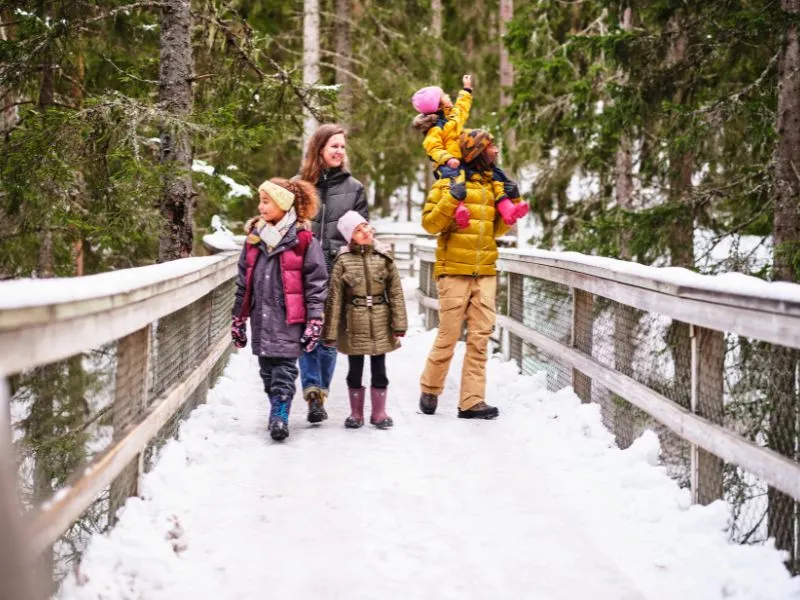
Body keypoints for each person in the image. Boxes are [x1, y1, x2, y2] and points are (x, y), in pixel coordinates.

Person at [418, 129, 512, 420]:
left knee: (480, 338)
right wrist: (450, 201)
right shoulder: (448, 182)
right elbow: (430, 224)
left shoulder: (492, 185)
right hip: (454, 271)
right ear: (476, 151)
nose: (495, 151)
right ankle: (430, 387)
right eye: (490, 146)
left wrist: (508, 214)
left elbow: (495, 230)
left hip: (484, 270)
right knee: (448, 335)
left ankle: (472, 401)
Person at [231, 178, 328, 441]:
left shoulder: (303, 240)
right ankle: (276, 405)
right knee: (267, 371)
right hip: (261, 317)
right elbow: (244, 281)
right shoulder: (253, 240)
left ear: (283, 205)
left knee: (284, 369)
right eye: (260, 201)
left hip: (289, 318)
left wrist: (314, 319)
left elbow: (316, 282)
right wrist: (238, 318)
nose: (260, 207)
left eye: (266, 201)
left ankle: (280, 414)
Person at [297, 124, 368, 423]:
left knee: (329, 336)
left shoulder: (355, 189)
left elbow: (363, 234)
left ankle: (320, 393)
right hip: (303, 271)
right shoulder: (298, 186)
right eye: (333, 146)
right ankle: (313, 393)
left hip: (338, 272)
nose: (339, 151)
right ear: (319, 150)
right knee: (305, 332)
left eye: (342, 146)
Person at [322, 211, 408, 429]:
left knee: (380, 368)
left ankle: (379, 413)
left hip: (380, 320)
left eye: (365, 227)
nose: (365, 232)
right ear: (350, 237)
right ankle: (356, 413)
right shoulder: (343, 261)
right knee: (355, 368)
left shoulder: (384, 257)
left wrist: (399, 324)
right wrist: (330, 333)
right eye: (358, 231)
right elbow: (335, 299)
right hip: (354, 322)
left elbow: (396, 292)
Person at [411, 74, 528, 229]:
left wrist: (466, 90)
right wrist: (447, 159)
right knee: (453, 183)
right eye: (444, 96)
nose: (448, 96)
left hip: (462, 161)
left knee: (496, 174)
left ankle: (508, 209)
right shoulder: (435, 129)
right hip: (447, 165)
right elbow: (433, 148)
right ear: (438, 106)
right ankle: (459, 208)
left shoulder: (452, 117)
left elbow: (462, 108)